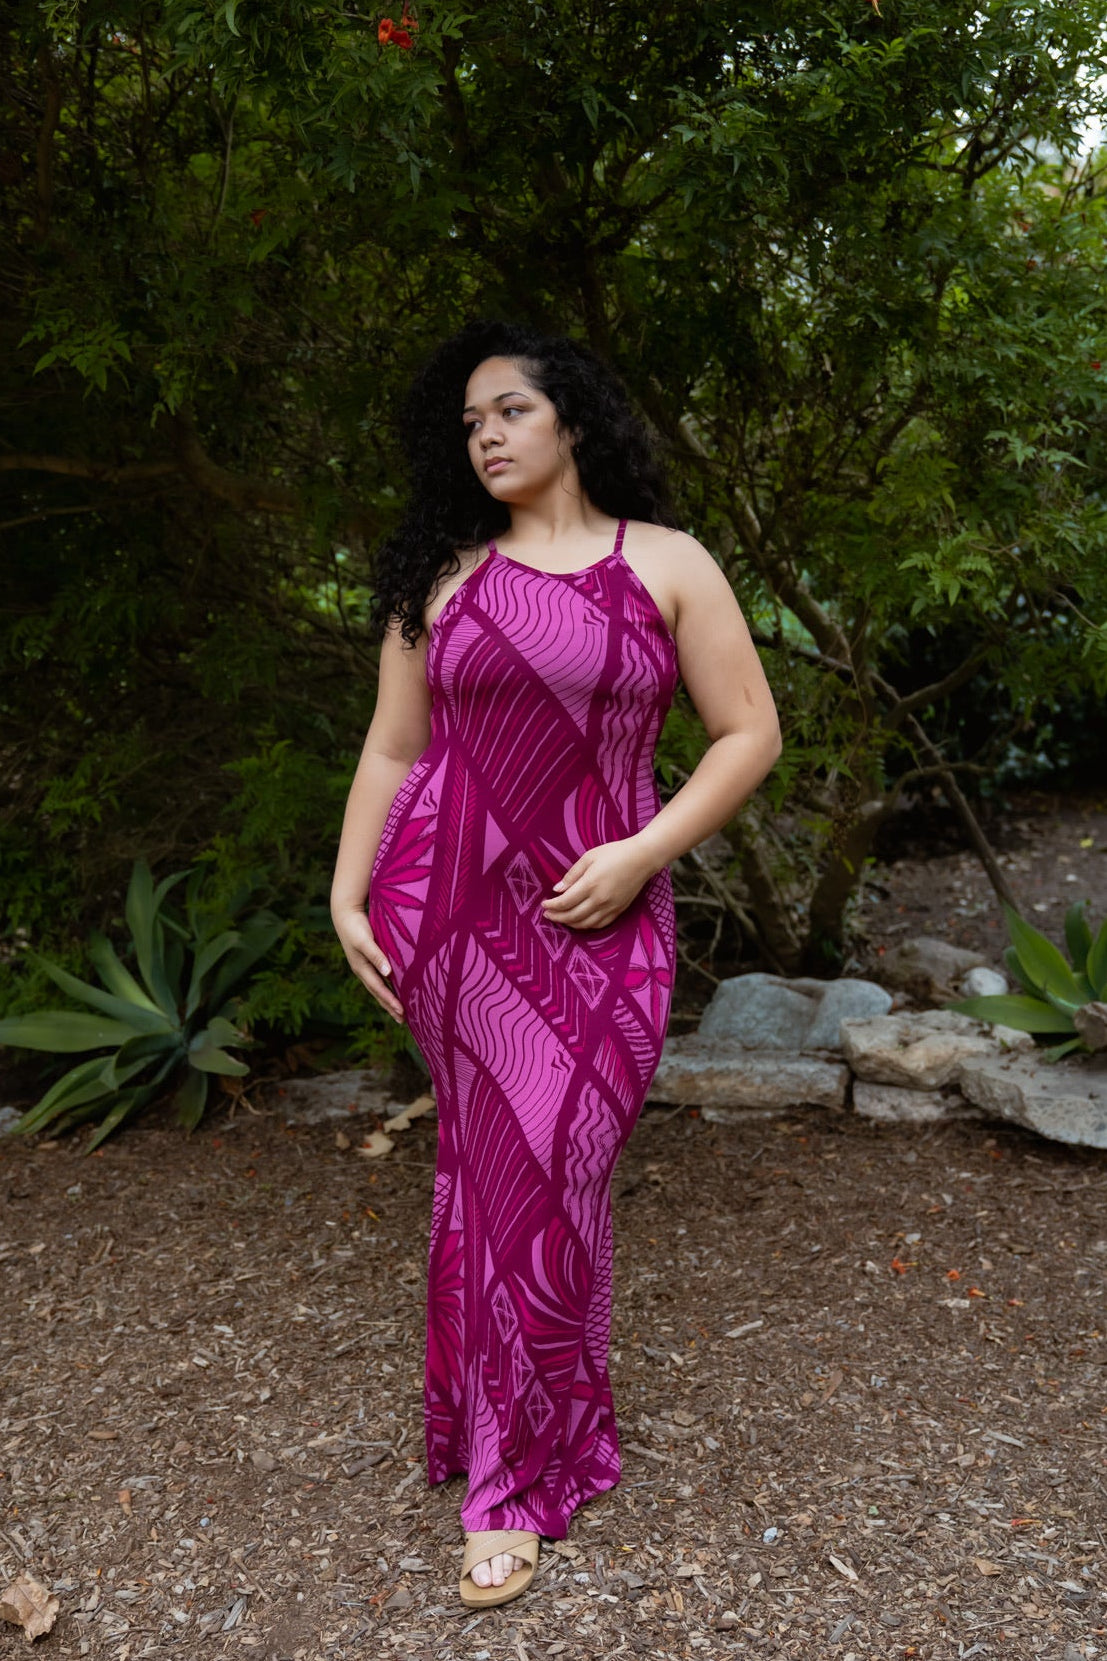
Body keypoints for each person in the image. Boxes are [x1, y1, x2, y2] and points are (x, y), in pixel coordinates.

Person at [331, 320, 781, 1609]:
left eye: (513, 408)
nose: (488, 433)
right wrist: (346, 889)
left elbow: (749, 733)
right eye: (470, 420)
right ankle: (509, 1476)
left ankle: (531, 1428)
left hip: (603, 915)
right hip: (453, 915)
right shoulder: (444, 579)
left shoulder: (668, 565)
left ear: (573, 420)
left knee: (554, 1165)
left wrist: (643, 851)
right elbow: (392, 748)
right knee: (496, 1174)